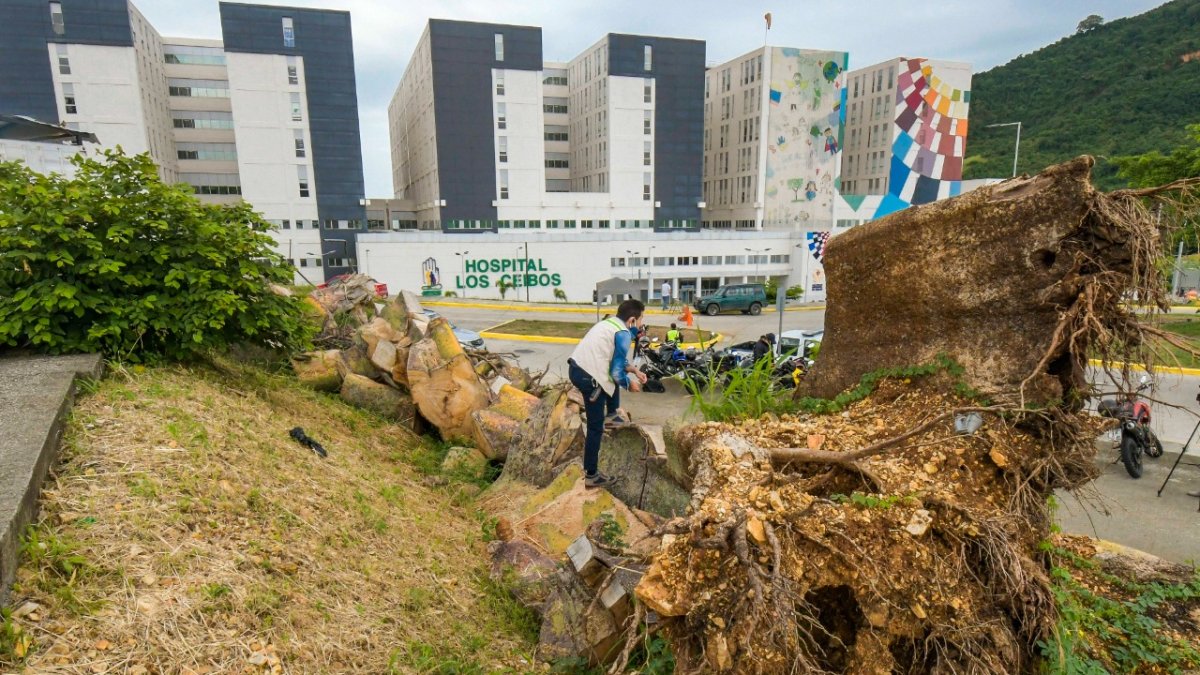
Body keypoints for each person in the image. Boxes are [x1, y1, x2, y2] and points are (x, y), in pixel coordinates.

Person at [567, 299, 647, 488]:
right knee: (595, 427)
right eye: (642, 319)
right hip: (588, 376)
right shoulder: (624, 334)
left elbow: (614, 361)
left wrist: (634, 370)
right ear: (633, 320)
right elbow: (616, 373)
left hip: (579, 368)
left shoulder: (608, 324)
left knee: (611, 379)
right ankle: (591, 474)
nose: (643, 324)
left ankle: (611, 414)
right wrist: (630, 384)